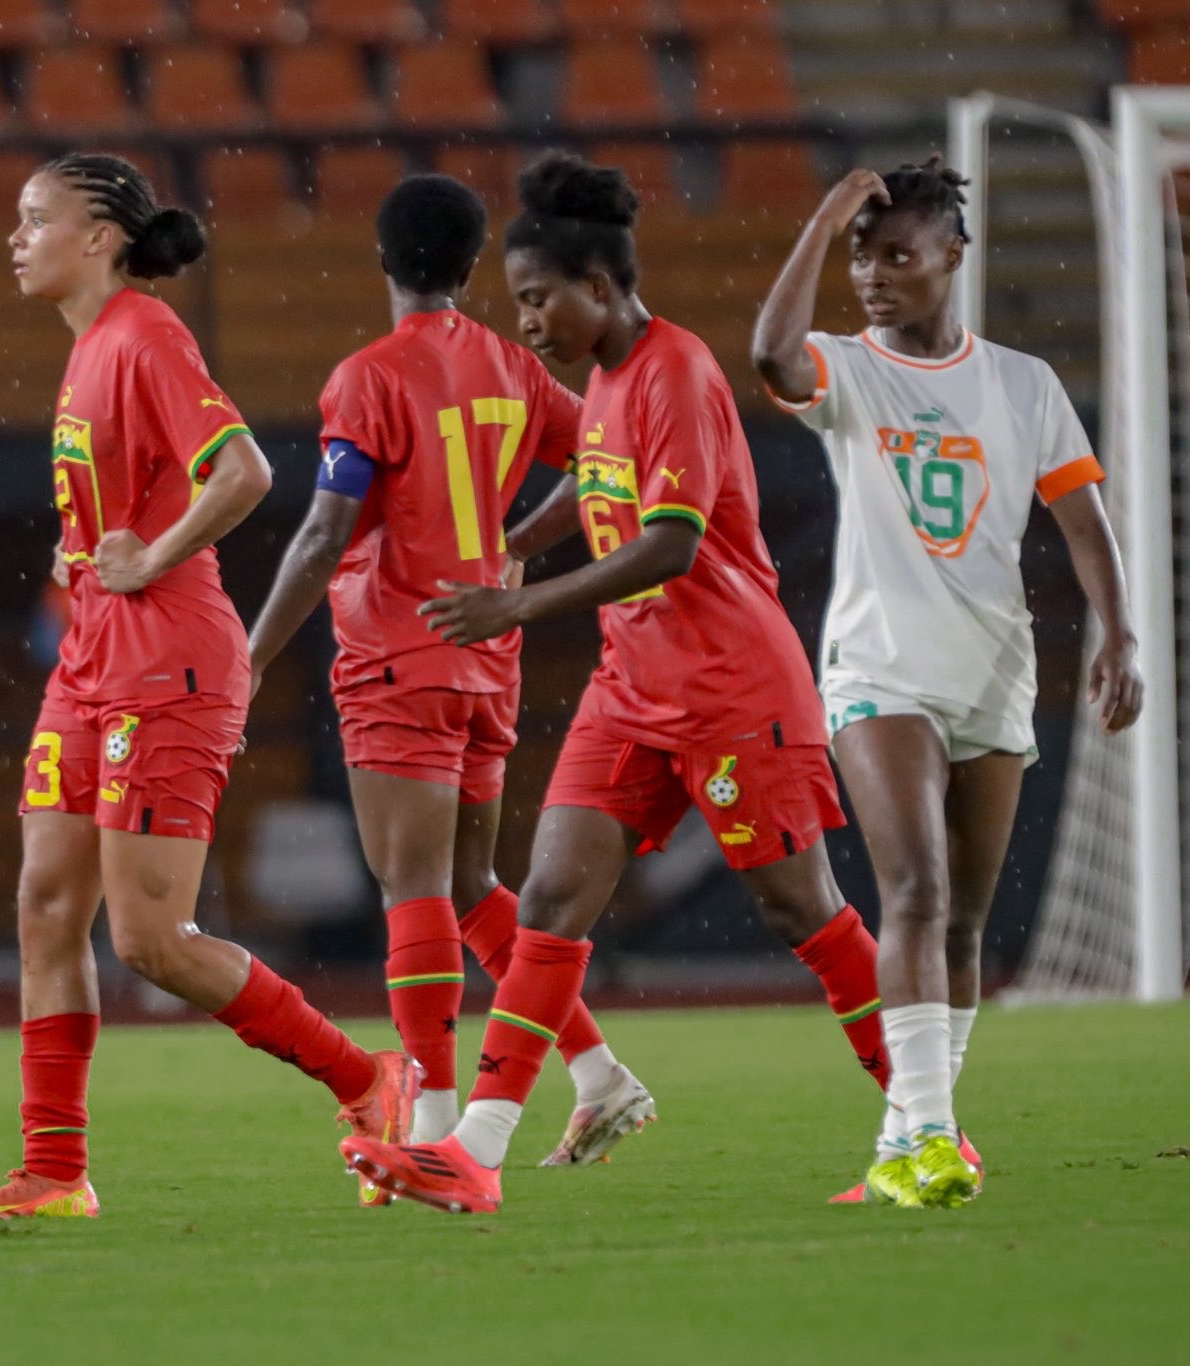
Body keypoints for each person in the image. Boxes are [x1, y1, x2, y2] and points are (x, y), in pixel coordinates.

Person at [340, 152, 888, 1214]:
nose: (526, 321)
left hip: (729, 685)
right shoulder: (603, 380)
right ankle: (475, 1154)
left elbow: (670, 543)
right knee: (548, 896)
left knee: (801, 909)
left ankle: (924, 1121)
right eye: (517, 300)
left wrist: (518, 605)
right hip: (630, 684)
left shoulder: (675, 372)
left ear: (598, 286)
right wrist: (512, 543)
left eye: (538, 299)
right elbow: (592, 485)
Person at [0, 153, 418, 1222]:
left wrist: (150, 557)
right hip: (91, 662)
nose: (15, 238)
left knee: (151, 940)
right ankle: (54, 1172)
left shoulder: (145, 335)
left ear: (101, 236)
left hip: (167, 663)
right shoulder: (88, 349)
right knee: (46, 909)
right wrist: (85, 556)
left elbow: (244, 471)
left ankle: (365, 1076)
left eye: (35, 219)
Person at [246, 173, 652, 1195]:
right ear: (474, 267)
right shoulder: (512, 366)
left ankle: (429, 1118)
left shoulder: (368, 378)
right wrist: (517, 544)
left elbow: (324, 534)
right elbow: (607, 454)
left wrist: (248, 660)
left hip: (400, 650)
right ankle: (597, 1072)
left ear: (381, 259)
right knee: (471, 886)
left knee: (413, 889)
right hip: (484, 656)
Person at [752, 158, 1141, 1207]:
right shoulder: (845, 368)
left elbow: (1081, 519)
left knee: (964, 920)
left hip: (992, 672)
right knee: (916, 890)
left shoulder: (1021, 383)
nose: (871, 277)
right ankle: (930, 1129)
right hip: (879, 668)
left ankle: (906, 1134)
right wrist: (827, 209)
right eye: (860, 258)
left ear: (952, 257)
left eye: (896, 256)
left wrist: (1118, 633)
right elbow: (770, 353)